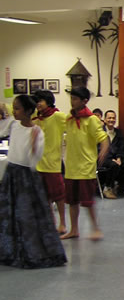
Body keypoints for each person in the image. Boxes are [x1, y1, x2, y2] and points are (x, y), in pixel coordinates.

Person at [0, 94, 67, 268]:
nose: (14, 112)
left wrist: (32, 146)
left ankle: (29, 252)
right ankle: (9, 250)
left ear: (28, 111)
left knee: (26, 215)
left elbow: (32, 160)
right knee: (8, 213)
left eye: (17, 109)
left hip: (26, 177)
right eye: (14, 108)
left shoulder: (36, 131)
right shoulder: (13, 125)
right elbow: (2, 128)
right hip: (11, 174)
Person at [61, 87, 109, 241]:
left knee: (87, 201)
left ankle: (95, 228)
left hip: (85, 167)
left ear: (84, 101)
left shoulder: (92, 119)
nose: (72, 101)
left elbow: (103, 137)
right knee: (72, 201)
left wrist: (104, 149)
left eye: (75, 99)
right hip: (71, 167)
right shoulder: (69, 118)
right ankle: (74, 229)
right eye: (71, 98)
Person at [33, 89, 67, 235]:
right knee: (44, 197)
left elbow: (72, 124)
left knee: (59, 196)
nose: (38, 104)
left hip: (53, 165)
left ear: (48, 101)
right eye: (36, 101)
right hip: (37, 164)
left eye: (40, 100)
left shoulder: (57, 116)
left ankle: (63, 224)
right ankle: (50, 223)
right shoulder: (36, 117)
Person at [100, 110, 124, 198]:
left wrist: (119, 157)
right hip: (103, 158)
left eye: (113, 118)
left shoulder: (118, 132)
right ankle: (107, 188)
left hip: (116, 158)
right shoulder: (100, 132)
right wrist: (111, 159)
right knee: (113, 165)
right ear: (105, 120)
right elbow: (98, 149)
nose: (111, 120)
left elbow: (121, 147)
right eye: (109, 118)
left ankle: (119, 186)